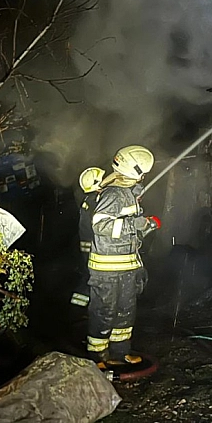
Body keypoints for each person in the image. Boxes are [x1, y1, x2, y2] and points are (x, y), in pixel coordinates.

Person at [86, 145, 161, 366]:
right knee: (104, 311)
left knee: (126, 311)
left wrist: (144, 227)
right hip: (107, 268)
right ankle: (97, 356)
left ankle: (120, 352)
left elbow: (128, 230)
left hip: (127, 265)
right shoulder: (112, 193)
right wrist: (132, 224)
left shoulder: (128, 194)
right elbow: (100, 225)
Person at [70, 167, 105, 310]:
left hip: (87, 244)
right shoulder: (96, 201)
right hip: (93, 245)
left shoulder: (88, 200)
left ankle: (78, 305)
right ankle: (84, 307)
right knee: (92, 276)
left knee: (88, 273)